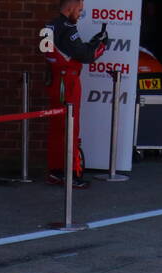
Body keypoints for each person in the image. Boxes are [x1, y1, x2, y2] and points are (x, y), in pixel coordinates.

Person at [44, 0, 107, 188]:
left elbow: (54, 53)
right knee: (71, 128)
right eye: (80, 10)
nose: (80, 14)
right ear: (70, 8)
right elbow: (85, 55)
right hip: (68, 83)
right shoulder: (68, 28)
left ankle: (55, 173)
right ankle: (72, 175)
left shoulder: (48, 26)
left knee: (57, 129)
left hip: (54, 81)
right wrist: (100, 44)